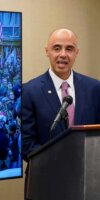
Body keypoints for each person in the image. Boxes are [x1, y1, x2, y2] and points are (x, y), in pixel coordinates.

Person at [22, 28, 100, 160]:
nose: (63, 54)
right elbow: (26, 144)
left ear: (76, 53)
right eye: (57, 48)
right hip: (46, 174)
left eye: (69, 49)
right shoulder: (29, 91)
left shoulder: (94, 88)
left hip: (88, 173)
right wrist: (60, 159)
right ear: (47, 51)